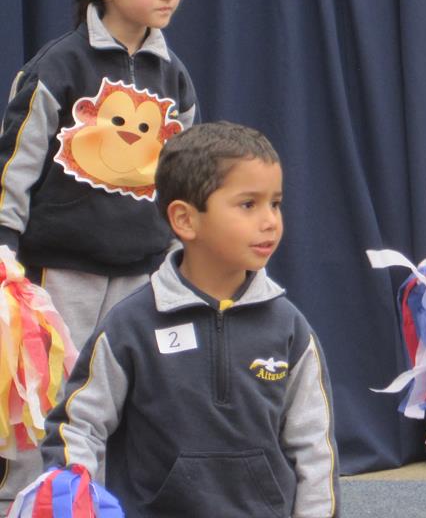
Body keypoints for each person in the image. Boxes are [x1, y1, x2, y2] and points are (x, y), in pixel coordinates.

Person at [24, 122, 339, 517]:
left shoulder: (290, 329)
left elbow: (315, 449)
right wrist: (73, 494)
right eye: (248, 204)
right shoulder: (130, 325)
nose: (270, 221)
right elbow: (78, 425)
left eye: (275, 203)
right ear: (185, 220)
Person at [0, 0, 198, 506]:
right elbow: (16, 162)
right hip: (60, 273)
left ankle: (101, 503)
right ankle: (28, 501)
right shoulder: (58, 66)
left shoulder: (174, 77)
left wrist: (182, 257)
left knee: (122, 397)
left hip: (144, 271)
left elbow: (186, 176)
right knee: (47, 396)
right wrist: (5, 248)